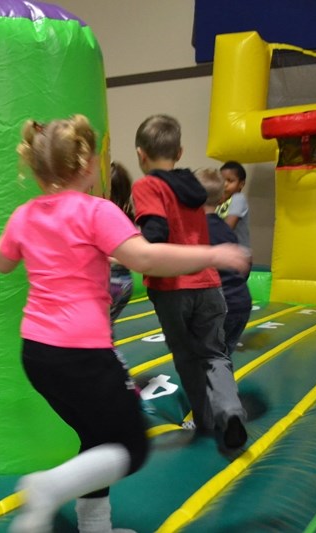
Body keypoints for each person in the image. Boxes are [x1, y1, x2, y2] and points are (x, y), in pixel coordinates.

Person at [0, 115, 250, 533]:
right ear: (89, 165)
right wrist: (214, 255)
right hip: (83, 352)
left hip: (37, 353)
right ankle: (49, 487)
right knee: (131, 445)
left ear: (37, 168)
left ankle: (96, 527)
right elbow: (146, 257)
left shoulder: (25, 215)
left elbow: (0, 262)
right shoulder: (97, 210)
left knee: (96, 436)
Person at [131, 114, 248, 448]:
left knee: (185, 356)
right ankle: (231, 411)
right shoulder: (194, 187)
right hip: (209, 285)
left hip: (172, 289)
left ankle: (205, 418)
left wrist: (129, 242)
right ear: (180, 152)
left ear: (141, 154)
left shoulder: (148, 186)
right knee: (215, 355)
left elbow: (155, 235)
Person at [195, 168, 252, 357]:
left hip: (221, 307)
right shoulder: (226, 230)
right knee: (223, 354)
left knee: (208, 356)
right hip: (241, 303)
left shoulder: (198, 231)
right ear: (221, 200)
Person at [108, 161, 135, 325]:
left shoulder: (110, 216)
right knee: (106, 326)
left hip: (113, 281)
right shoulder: (126, 216)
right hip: (125, 281)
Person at [217, 160, 251, 249]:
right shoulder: (218, 200)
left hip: (238, 254)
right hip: (224, 252)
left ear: (241, 184)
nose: (225, 184)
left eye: (230, 181)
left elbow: (227, 228)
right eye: (221, 180)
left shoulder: (238, 198)